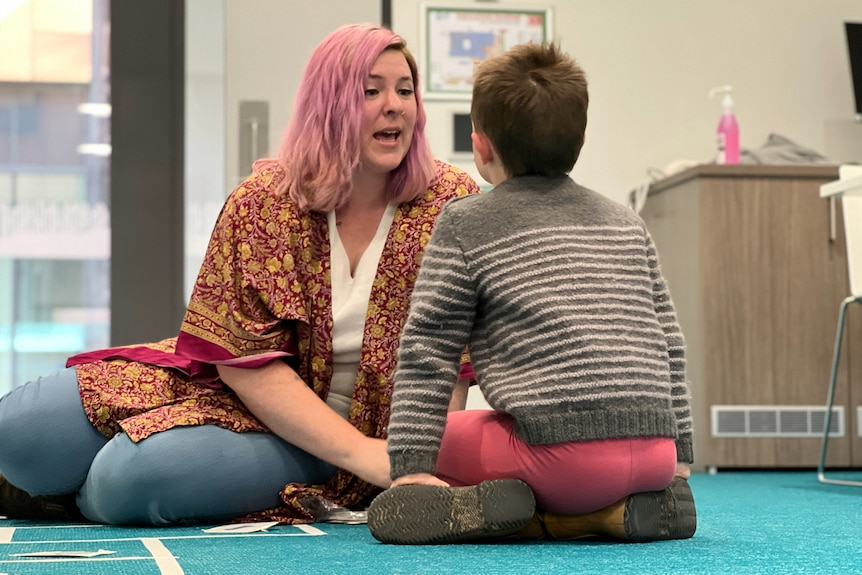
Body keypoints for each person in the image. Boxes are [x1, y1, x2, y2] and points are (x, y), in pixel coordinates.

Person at [0, 23, 482, 526]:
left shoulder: (450, 204)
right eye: (371, 90)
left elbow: (452, 358)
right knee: (19, 432)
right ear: (329, 103)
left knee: (126, 481)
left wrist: (406, 463)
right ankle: (58, 482)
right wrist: (368, 454)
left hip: (344, 439)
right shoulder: (264, 200)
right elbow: (243, 361)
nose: (395, 105)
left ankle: (66, 499)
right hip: (239, 391)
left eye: (406, 90)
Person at [367, 41, 697, 545]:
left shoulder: (465, 222)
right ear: (580, 138)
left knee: (448, 437)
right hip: (656, 457)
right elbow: (670, 345)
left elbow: (428, 349)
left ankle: (517, 514)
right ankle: (607, 514)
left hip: (560, 461)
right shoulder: (626, 222)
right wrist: (680, 459)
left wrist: (411, 469)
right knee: (552, 444)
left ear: (481, 146)